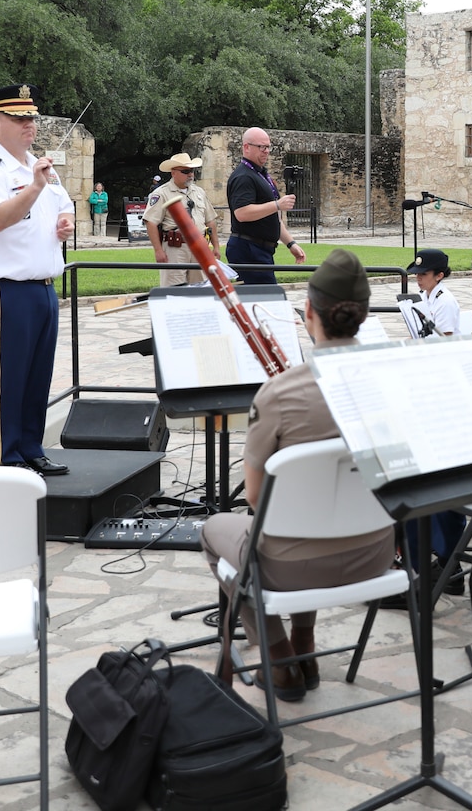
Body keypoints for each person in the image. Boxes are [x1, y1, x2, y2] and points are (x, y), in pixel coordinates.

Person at [200, 249, 394, 702]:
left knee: (214, 532)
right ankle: (303, 640)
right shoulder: (391, 377)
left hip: (290, 567)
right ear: (364, 316)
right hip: (377, 554)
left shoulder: (279, 393)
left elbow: (254, 497)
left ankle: (280, 652)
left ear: (309, 312)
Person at [0, 84, 74, 477]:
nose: (30, 124)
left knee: (37, 375)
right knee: (8, 378)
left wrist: (65, 223)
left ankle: (31, 446)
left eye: (32, 117)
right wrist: (35, 187)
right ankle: (6, 457)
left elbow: (63, 206)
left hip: (43, 286)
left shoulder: (39, 167)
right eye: (19, 118)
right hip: (5, 289)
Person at [225, 127, 305, 285]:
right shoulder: (244, 177)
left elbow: (272, 217)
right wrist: (277, 204)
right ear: (246, 147)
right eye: (262, 147)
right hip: (248, 249)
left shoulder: (260, 174)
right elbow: (242, 213)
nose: (266, 151)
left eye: (268, 147)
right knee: (265, 298)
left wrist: (290, 243)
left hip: (260, 250)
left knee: (261, 299)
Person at [142, 153, 217, 288]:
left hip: (200, 246)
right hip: (175, 247)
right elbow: (151, 222)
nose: (190, 175)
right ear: (173, 173)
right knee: (174, 291)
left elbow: (210, 220)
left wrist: (216, 247)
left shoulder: (199, 192)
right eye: (185, 171)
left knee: (200, 289)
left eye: (192, 171)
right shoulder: (161, 193)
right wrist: (158, 250)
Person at [407, 248, 460, 336]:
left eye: (423, 274)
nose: (418, 277)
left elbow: (444, 337)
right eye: (417, 273)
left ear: (439, 276)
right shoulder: (423, 296)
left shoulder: (445, 302)